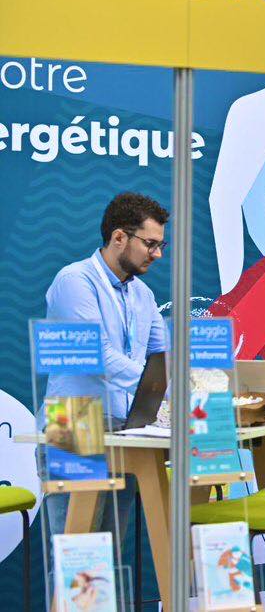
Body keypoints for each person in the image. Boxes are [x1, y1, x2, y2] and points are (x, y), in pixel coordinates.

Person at [42, 192, 169, 539]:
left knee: (109, 548)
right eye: (150, 244)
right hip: (74, 421)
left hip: (126, 428)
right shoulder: (73, 281)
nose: (157, 254)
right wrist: (161, 388)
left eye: (161, 245)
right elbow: (98, 357)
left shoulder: (143, 294)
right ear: (119, 237)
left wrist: (198, 391)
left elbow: (163, 358)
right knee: (76, 552)